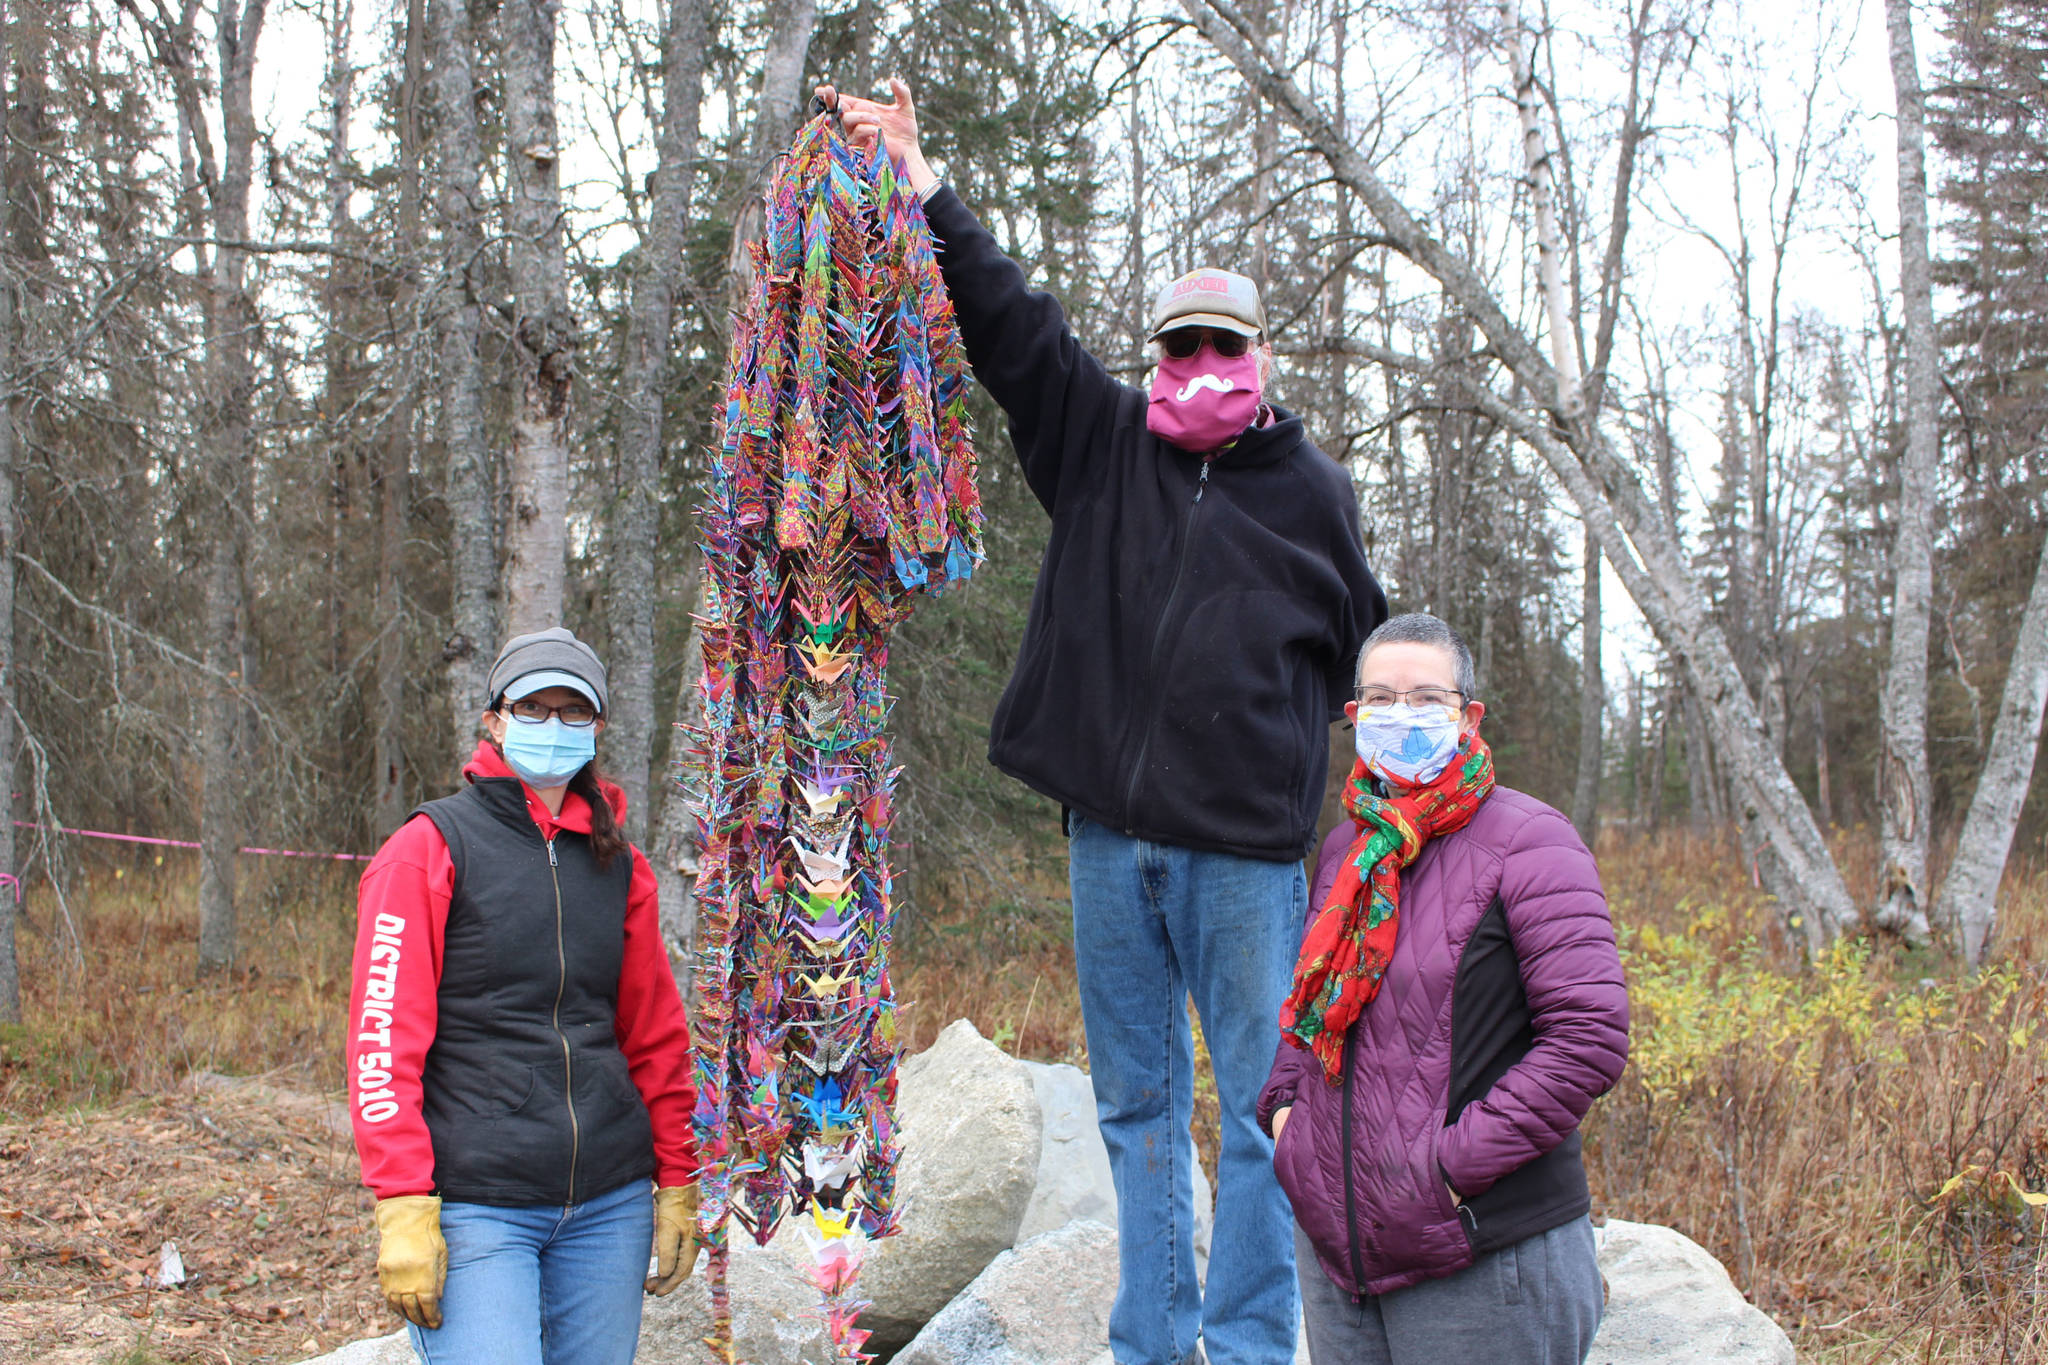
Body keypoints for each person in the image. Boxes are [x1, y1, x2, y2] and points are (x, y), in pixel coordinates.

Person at [822, 80, 1388, 1365]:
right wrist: (922, 181)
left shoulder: (1314, 496)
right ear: (1156, 356)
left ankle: (1247, 1344)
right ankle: (1152, 1340)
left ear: (1258, 362)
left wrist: (1403, 799)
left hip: (1243, 863)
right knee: (1136, 1112)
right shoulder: (1100, 440)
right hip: (1106, 848)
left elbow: (1378, 663)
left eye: (1221, 350)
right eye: (1177, 347)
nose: (1197, 369)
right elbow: (1009, 323)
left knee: (1254, 1115)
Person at [1262, 613, 1630, 1365]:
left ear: (1468, 716)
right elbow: (1315, 1010)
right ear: (1355, 716)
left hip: (1480, 1250)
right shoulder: (1350, 849)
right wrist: (1288, 1121)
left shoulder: (1532, 840)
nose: (1402, 716)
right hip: (1342, 1252)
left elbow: (1588, 1037)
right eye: (1381, 699)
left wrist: (1444, 1169)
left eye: (1426, 698)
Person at [346, 626, 701, 1365]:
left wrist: (677, 1178)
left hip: (609, 1203)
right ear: (494, 718)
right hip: (481, 1203)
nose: (552, 725)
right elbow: (382, 1041)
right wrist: (402, 1202)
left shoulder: (619, 864)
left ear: (598, 726)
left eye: (573, 711)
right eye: (532, 707)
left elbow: (656, 1036)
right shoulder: (428, 848)